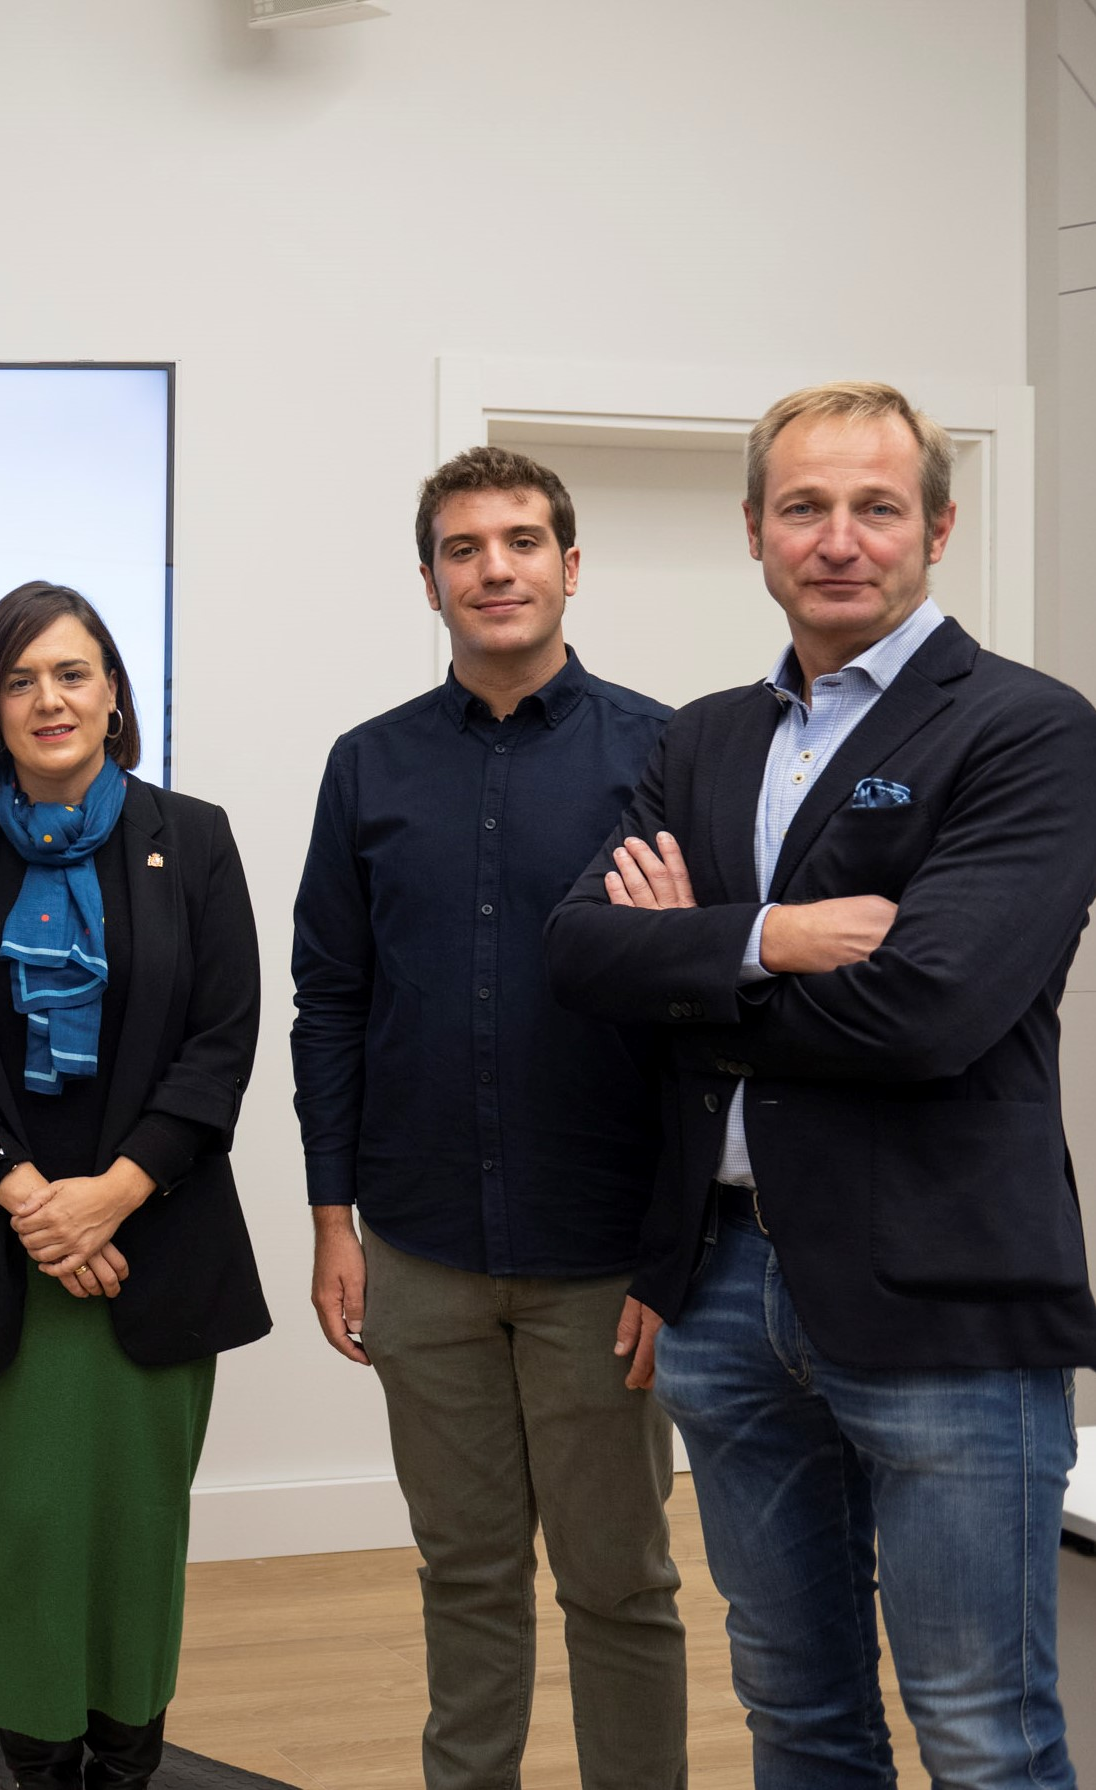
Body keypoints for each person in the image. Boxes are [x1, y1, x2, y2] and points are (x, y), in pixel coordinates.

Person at [547, 381, 1096, 1786]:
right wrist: (772, 939)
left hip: (941, 1296)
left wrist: (692, 972)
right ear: (753, 530)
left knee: (980, 1733)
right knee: (795, 1714)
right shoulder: (704, 737)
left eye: (874, 505)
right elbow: (581, 948)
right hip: (724, 1289)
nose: (837, 537)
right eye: (803, 506)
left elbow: (928, 1011)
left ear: (937, 525)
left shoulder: (1029, 732)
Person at [289, 448, 684, 1788]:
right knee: (461, 1574)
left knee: (619, 1584)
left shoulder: (662, 755)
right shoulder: (369, 766)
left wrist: (671, 1255)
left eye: (521, 541)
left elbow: (706, 1029)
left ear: (569, 566)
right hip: (418, 1246)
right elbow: (328, 1004)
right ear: (428, 580)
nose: (494, 567)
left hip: (603, 1263)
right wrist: (331, 1221)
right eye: (464, 548)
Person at [0, 580, 269, 1787]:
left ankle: (126, 1749)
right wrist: (36, 1201)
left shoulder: (190, 835)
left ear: (113, 696)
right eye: (19, 676)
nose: (49, 697)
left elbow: (223, 1040)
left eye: (72, 672)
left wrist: (112, 1193)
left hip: (156, 1243)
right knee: (23, 1526)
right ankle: (34, 1751)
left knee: (138, 1525)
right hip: (2, 1252)